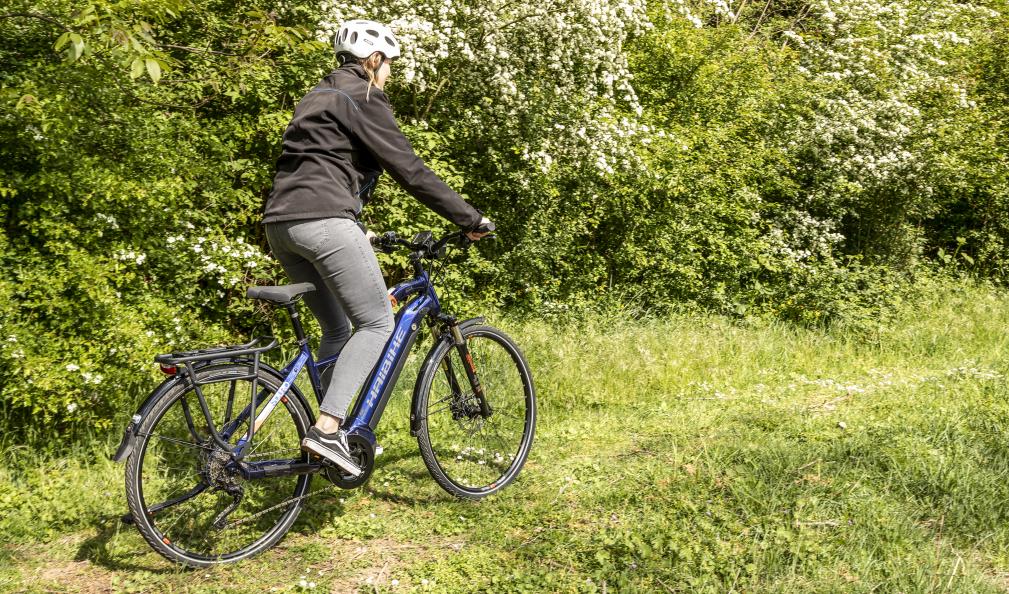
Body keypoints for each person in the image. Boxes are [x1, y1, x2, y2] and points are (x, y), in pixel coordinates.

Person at [262, 19, 492, 475]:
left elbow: (316, 166)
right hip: (324, 221)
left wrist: (354, 222)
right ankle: (327, 429)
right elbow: (410, 169)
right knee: (376, 323)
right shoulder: (362, 94)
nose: (389, 76)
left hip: (281, 225)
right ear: (374, 60)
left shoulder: (316, 96)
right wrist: (470, 219)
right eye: (389, 66)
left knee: (337, 330)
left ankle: (336, 436)